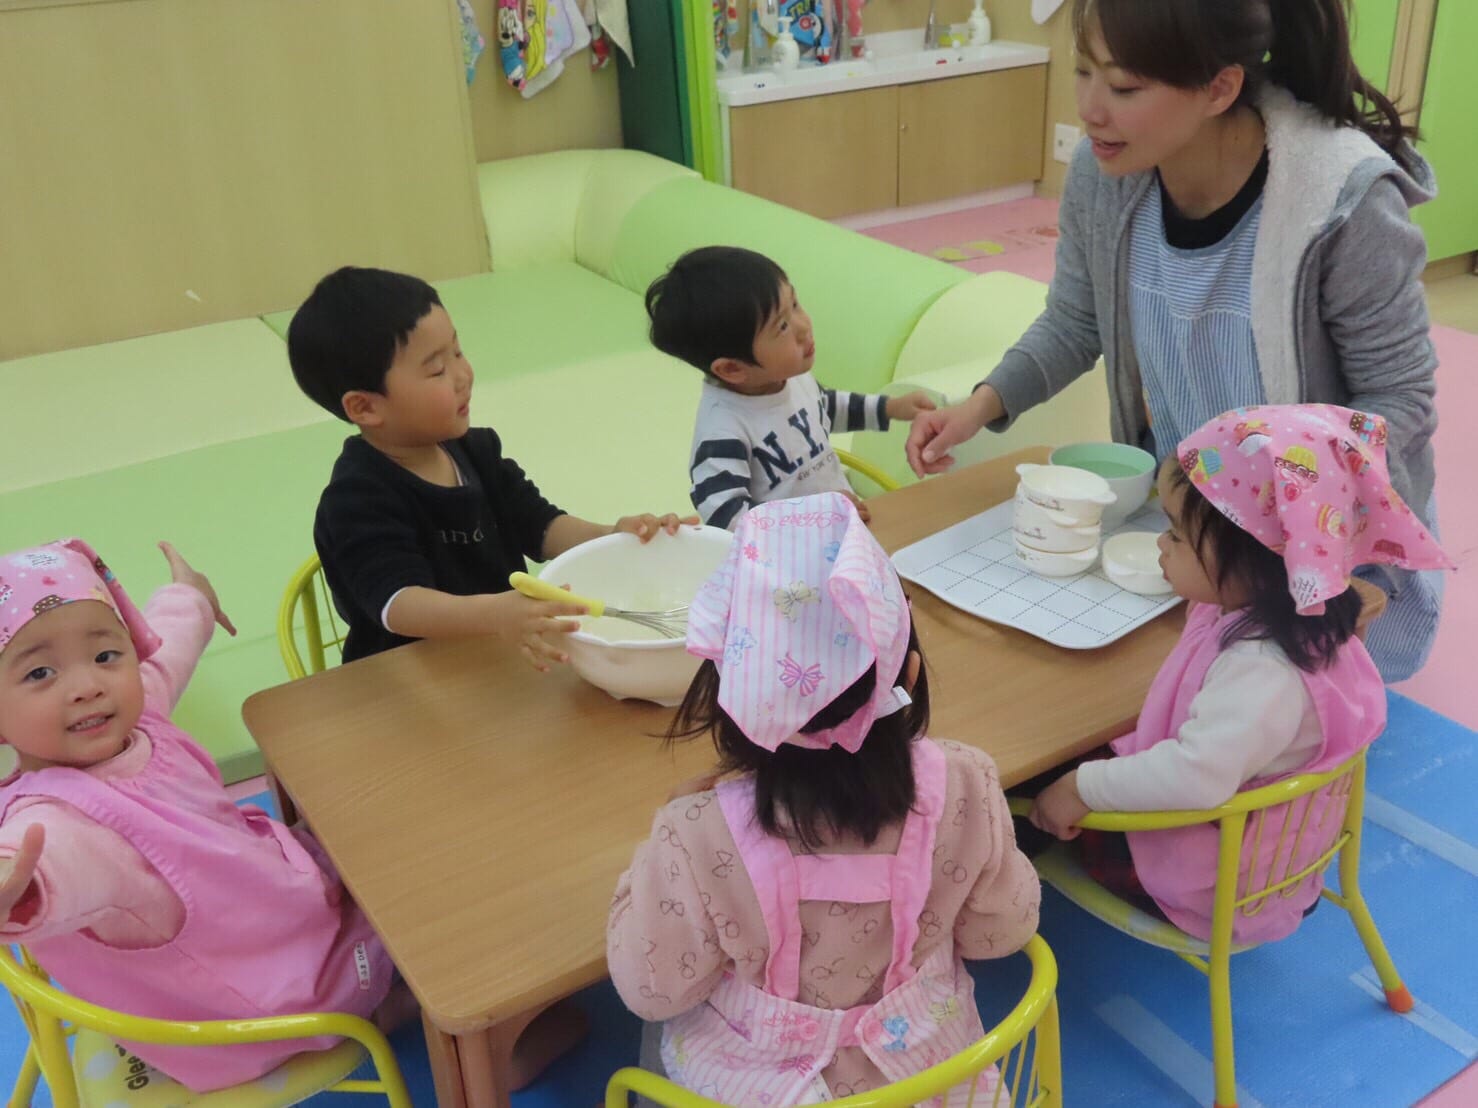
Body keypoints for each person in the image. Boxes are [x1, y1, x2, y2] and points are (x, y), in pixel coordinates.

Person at [905, 0, 1442, 682]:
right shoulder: (1108, 180)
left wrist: (1293, 532)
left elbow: (1399, 402)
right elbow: (1076, 320)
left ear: (1220, 88)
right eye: (1083, 73)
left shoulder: (1339, 203)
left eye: (1125, 87)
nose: (1092, 110)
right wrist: (978, 406)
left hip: (1316, 560)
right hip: (1189, 538)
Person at [608, 492, 1040, 1105]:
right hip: (933, 1081)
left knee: (654, 1050)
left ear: (729, 698)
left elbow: (652, 989)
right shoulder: (967, 782)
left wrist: (648, 863)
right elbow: (1003, 932)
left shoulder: (697, 831)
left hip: (765, 1088)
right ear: (908, 674)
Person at [1027, 405, 1453, 943]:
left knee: (1027, 785)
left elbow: (1194, 777)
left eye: (1176, 535)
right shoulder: (1308, 611)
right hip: (1271, 849)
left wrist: (1077, 788)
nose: (1161, 544)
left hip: (1210, 886)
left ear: (1254, 562)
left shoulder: (1263, 670)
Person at [0, 539, 410, 1091]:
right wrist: (18, 886)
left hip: (259, 908)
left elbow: (167, 652)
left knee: (385, 826)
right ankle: (402, 1015)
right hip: (256, 1006)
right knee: (432, 936)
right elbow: (49, 864)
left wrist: (188, 595)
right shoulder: (62, 823)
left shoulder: (129, 721)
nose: (88, 686)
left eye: (104, 655)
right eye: (40, 674)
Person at [288, 266, 692, 668]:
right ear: (366, 407)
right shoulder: (357, 497)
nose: (463, 375)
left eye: (458, 352)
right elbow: (400, 604)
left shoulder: (476, 450)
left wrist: (612, 537)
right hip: (407, 679)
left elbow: (541, 525)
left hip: (498, 653)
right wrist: (497, 614)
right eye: (437, 369)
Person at [646, 246, 936, 530]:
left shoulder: (788, 378)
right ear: (733, 369)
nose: (803, 327)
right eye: (782, 327)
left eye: (795, 305)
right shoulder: (723, 432)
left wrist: (891, 408)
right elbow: (727, 519)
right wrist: (815, 515)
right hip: (789, 565)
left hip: (844, 530)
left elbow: (826, 407)